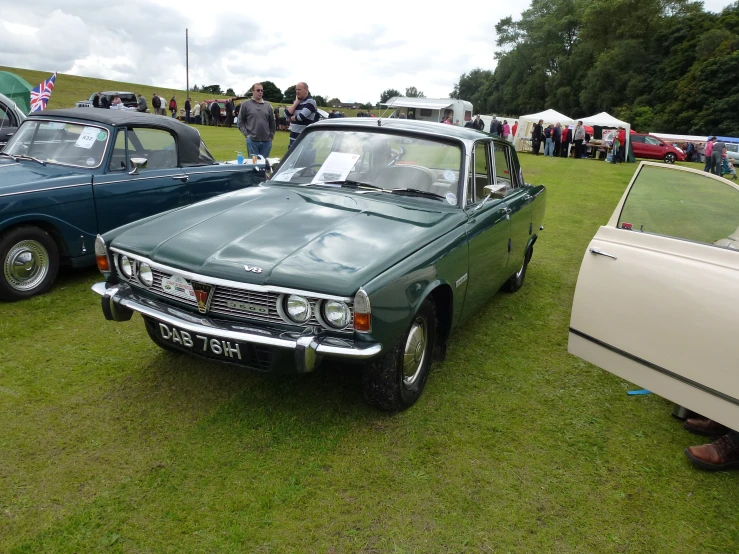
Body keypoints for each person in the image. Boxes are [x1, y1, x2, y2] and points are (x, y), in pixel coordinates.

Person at [237, 83, 276, 159]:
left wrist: (271, 135)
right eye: (258, 90)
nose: (260, 92)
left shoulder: (268, 106)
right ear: (253, 91)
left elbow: (272, 122)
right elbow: (240, 122)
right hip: (252, 141)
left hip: (266, 141)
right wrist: (247, 135)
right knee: (253, 166)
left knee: (264, 166)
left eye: (262, 90)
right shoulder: (245, 104)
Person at [285, 82, 319, 148]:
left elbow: (300, 117)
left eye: (299, 89)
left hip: (305, 139)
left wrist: (291, 118)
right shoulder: (297, 102)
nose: (297, 91)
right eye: (296, 90)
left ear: (306, 90)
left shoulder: (311, 102)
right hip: (293, 137)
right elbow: (286, 115)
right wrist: (296, 103)